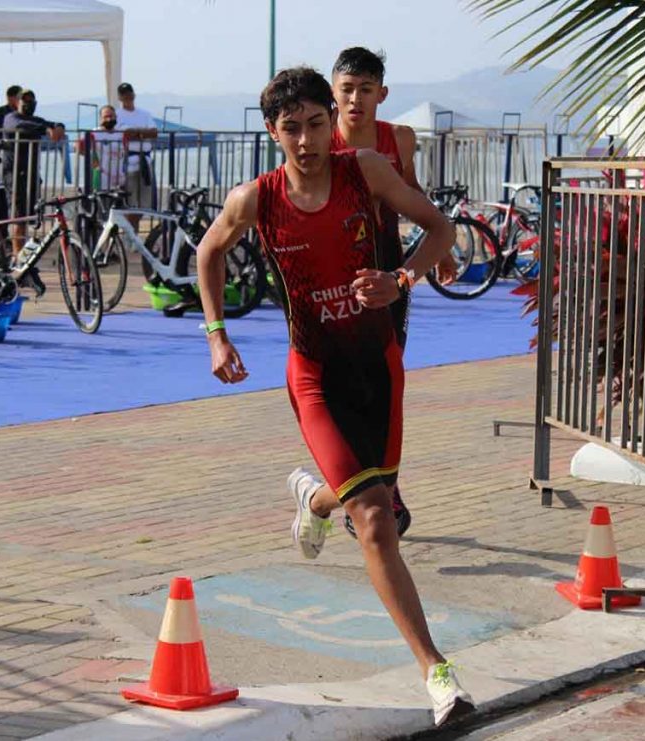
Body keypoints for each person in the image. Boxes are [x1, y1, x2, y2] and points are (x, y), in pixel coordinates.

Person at [195, 66, 474, 727]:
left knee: (362, 495)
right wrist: (216, 337)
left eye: (316, 124)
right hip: (314, 372)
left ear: (333, 122)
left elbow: (440, 231)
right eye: (290, 128)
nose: (305, 140)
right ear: (272, 133)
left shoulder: (367, 171)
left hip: (378, 368)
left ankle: (311, 497)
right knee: (377, 519)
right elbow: (209, 252)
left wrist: (401, 277)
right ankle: (439, 676)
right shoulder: (256, 199)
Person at [329, 47, 458, 541]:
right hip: (334, 272)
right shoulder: (319, 140)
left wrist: (438, 246)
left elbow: (414, 193)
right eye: (347, 89)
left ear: (382, 94)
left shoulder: (398, 138)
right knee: (344, 387)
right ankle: (357, 487)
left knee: (385, 382)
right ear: (333, 92)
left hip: (388, 268)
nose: (355, 99)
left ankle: (388, 487)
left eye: (365, 89)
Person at [1, 90, 65, 254]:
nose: (29, 104)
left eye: (32, 101)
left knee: (30, 217)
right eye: (25, 101)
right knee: (18, 218)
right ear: (17, 102)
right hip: (14, 175)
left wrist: (57, 128)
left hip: (31, 174)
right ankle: (17, 257)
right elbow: (19, 127)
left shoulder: (37, 120)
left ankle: (24, 255)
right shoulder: (11, 118)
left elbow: (56, 124)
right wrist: (46, 129)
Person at [115, 82, 158, 212]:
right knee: (131, 201)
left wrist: (136, 132)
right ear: (120, 97)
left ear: (133, 95)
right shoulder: (117, 114)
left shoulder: (145, 113)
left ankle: (134, 230)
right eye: (124, 94)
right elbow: (126, 134)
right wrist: (143, 133)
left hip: (145, 161)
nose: (127, 97)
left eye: (129, 93)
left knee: (145, 203)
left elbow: (154, 132)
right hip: (129, 162)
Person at [0, 84, 22, 176]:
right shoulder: (1, 113)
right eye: (20, 97)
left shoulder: (22, 112)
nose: (22, 100)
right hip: (5, 147)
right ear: (11, 98)